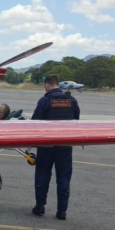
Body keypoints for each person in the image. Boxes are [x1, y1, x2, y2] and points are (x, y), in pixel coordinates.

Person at [31, 75, 80, 220]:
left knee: (42, 175)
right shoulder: (71, 101)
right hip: (65, 145)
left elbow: (34, 123)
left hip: (46, 144)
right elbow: (76, 120)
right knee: (64, 177)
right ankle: (62, 211)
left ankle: (40, 206)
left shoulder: (45, 101)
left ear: (47, 84)